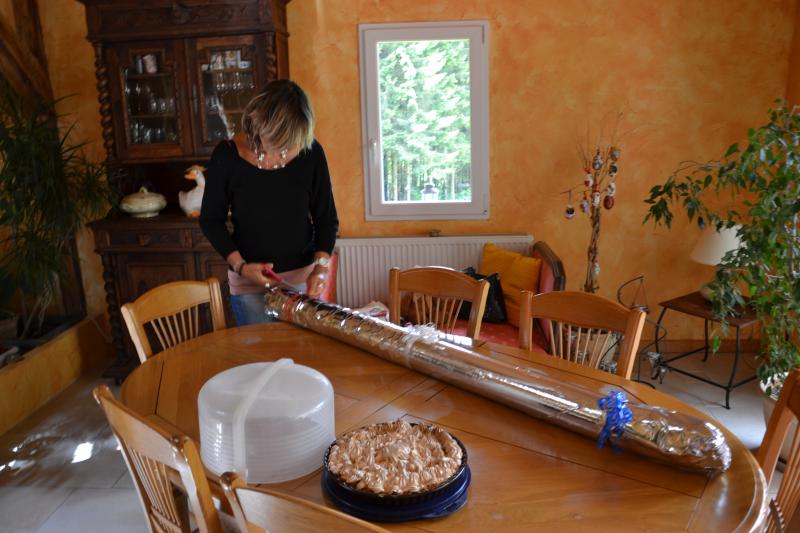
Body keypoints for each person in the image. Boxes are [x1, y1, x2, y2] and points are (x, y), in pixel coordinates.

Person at [199, 80, 338, 326]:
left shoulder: (311, 152)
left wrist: (321, 268)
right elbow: (211, 221)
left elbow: (326, 219)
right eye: (279, 139)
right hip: (248, 285)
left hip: (301, 283)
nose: (286, 148)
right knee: (258, 351)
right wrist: (241, 267)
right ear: (258, 121)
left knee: (301, 350)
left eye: (291, 141)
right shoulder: (227, 156)